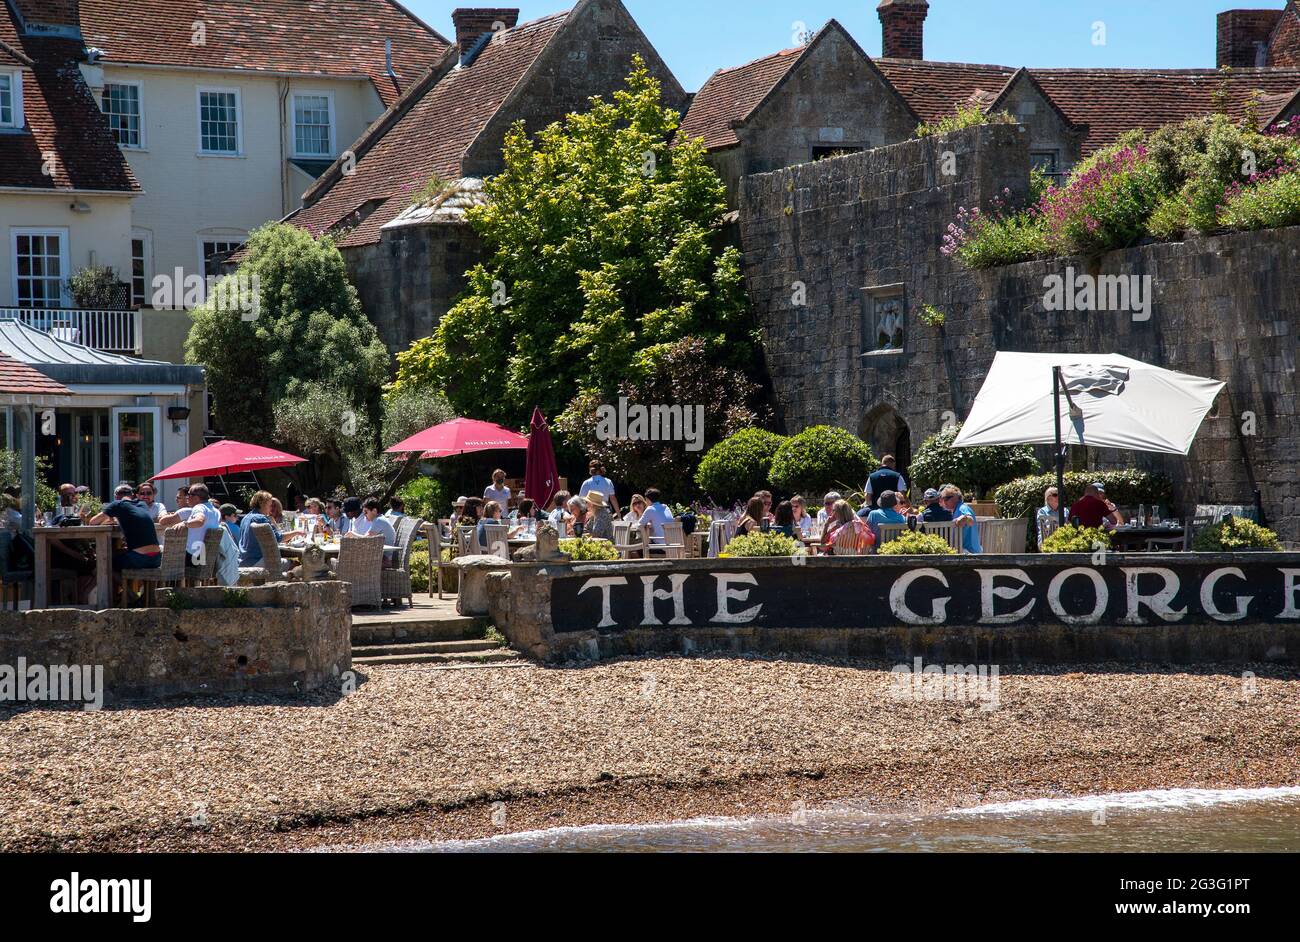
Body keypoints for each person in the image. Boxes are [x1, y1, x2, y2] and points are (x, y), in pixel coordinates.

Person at [90, 484, 162, 572]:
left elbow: (92, 522)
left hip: (140, 559)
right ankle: (127, 584)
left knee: (105, 562)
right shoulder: (142, 504)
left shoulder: (118, 504)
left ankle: (111, 585)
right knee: (119, 554)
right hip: (157, 559)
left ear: (116, 497)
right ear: (132, 495)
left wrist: (111, 518)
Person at [238, 491, 285, 567]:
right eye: (269, 505)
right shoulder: (261, 518)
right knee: (295, 565)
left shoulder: (246, 518)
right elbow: (278, 538)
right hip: (256, 560)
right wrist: (297, 532)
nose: (270, 508)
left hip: (243, 560)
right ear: (262, 504)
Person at [182, 483, 223, 563]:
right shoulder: (216, 511)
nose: (187, 497)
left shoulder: (199, 507)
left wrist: (184, 523)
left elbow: (200, 521)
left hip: (192, 556)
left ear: (196, 498)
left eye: (189, 494)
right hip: (208, 556)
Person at [941, 485, 982, 553]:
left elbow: (970, 520)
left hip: (969, 553)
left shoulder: (962, 508)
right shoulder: (956, 509)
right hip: (965, 551)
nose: (944, 501)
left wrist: (964, 517)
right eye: (943, 498)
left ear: (956, 497)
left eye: (946, 498)